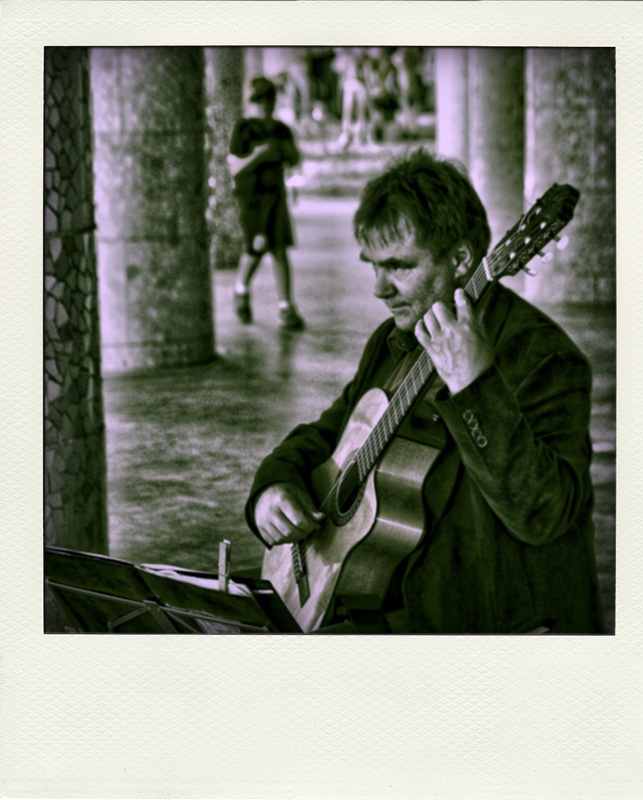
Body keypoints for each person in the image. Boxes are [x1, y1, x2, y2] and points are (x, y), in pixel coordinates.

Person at [245, 149, 605, 634]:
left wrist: (474, 385)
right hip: (385, 609)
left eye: (398, 266)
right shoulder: (395, 341)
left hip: (491, 627)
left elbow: (545, 513)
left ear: (461, 260)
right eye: (372, 265)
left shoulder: (542, 358)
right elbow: (328, 434)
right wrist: (273, 487)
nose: (379, 288)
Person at [227, 76, 304, 331]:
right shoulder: (244, 129)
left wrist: (285, 150)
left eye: (268, 99)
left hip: (276, 197)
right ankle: (240, 289)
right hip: (252, 200)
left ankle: (285, 306)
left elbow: (294, 158)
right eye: (260, 100)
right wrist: (259, 155)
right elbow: (235, 168)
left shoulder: (281, 129)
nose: (265, 105)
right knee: (256, 248)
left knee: (280, 249)